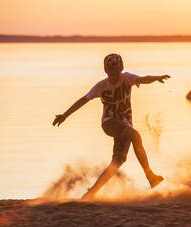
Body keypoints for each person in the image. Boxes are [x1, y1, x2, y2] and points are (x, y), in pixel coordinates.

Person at [52, 53, 170, 200]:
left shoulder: (126, 78)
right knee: (135, 135)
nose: (114, 76)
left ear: (121, 69)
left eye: (116, 72)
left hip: (125, 125)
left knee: (117, 161)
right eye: (111, 73)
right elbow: (82, 101)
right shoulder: (101, 86)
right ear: (106, 71)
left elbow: (142, 79)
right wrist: (65, 115)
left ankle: (90, 194)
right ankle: (150, 176)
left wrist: (156, 78)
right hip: (109, 123)